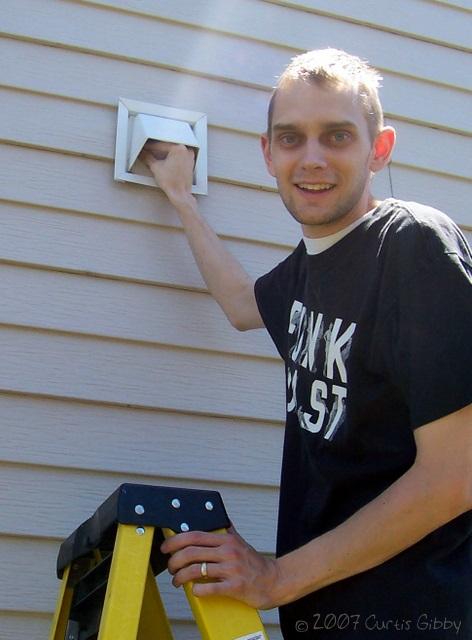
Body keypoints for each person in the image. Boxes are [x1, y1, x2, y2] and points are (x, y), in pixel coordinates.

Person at [141, 49, 472, 639]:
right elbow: (243, 303)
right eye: (291, 138)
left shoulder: (413, 247)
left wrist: (277, 578)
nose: (312, 159)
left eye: (337, 135)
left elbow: (457, 474)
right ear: (268, 154)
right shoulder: (303, 274)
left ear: (380, 148)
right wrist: (181, 199)